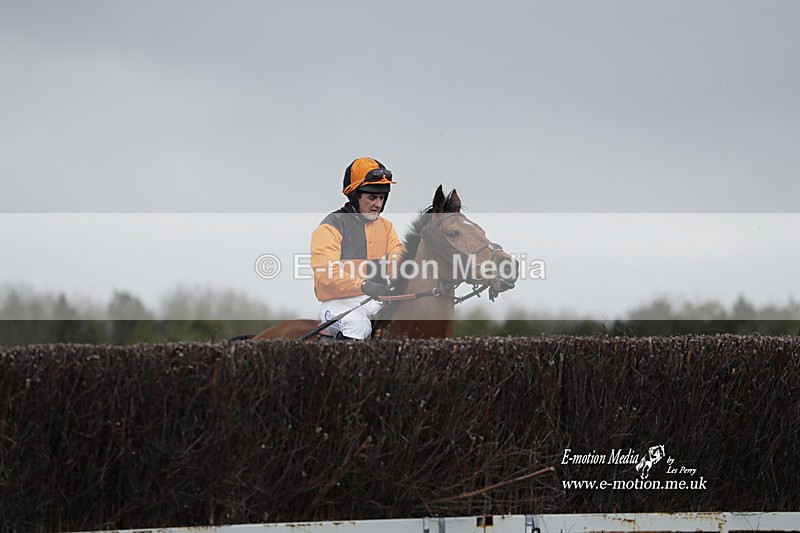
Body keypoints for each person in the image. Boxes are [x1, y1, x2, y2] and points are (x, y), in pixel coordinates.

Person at [310, 157, 405, 339]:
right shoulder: (331, 226)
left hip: (374, 300)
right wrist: (364, 285)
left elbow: (397, 258)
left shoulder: (386, 227)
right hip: (337, 302)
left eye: (382, 197)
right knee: (358, 326)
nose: (378, 204)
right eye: (372, 198)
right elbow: (326, 272)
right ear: (355, 196)